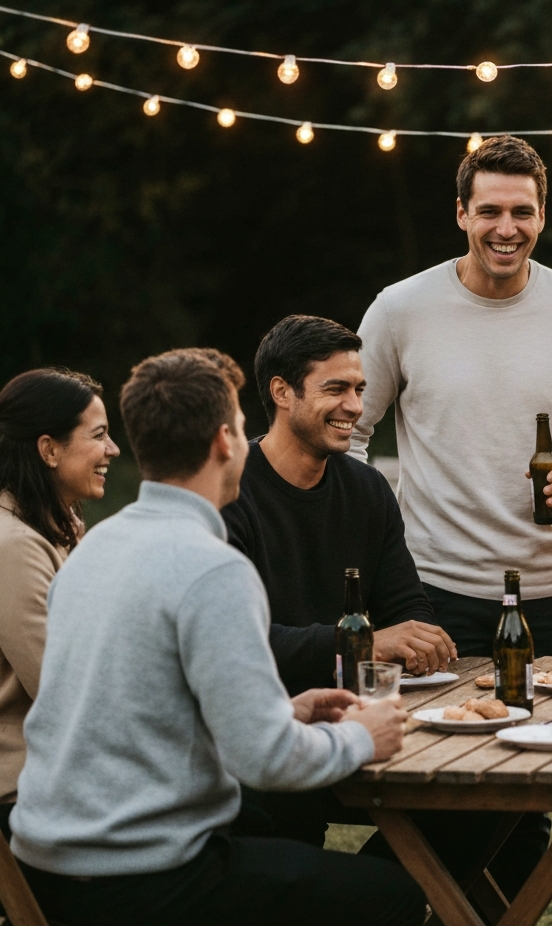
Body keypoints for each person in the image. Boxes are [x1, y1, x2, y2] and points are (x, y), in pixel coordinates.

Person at [9, 349, 423, 926]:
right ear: (225, 442)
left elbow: (135, 702)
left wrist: (282, 710)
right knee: (395, 894)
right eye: (243, 427)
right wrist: (360, 736)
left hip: (47, 865)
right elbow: (265, 760)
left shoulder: (98, 544)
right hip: (140, 876)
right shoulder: (213, 567)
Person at [351, 134, 552, 659]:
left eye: (521, 212)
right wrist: (374, 532)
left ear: (542, 217)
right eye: (489, 211)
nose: (507, 229)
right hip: (432, 588)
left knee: (549, 715)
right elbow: (349, 428)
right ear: (461, 213)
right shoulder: (399, 310)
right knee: (435, 719)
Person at [222, 314, 456, 850]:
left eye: (359, 390)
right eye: (336, 389)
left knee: (474, 812)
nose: (355, 406)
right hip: (261, 738)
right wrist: (365, 644)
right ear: (282, 392)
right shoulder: (230, 493)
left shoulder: (367, 489)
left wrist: (415, 639)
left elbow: (408, 608)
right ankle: (389, 891)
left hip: (356, 718)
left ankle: (399, 888)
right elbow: (237, 645)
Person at [0, 369, 119, 841]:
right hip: (28, 794)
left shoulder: (57, 528)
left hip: (71, 776)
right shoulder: (14, 547)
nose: (113, 449)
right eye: (99, 435)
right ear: (49, 450)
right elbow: (67, 692)